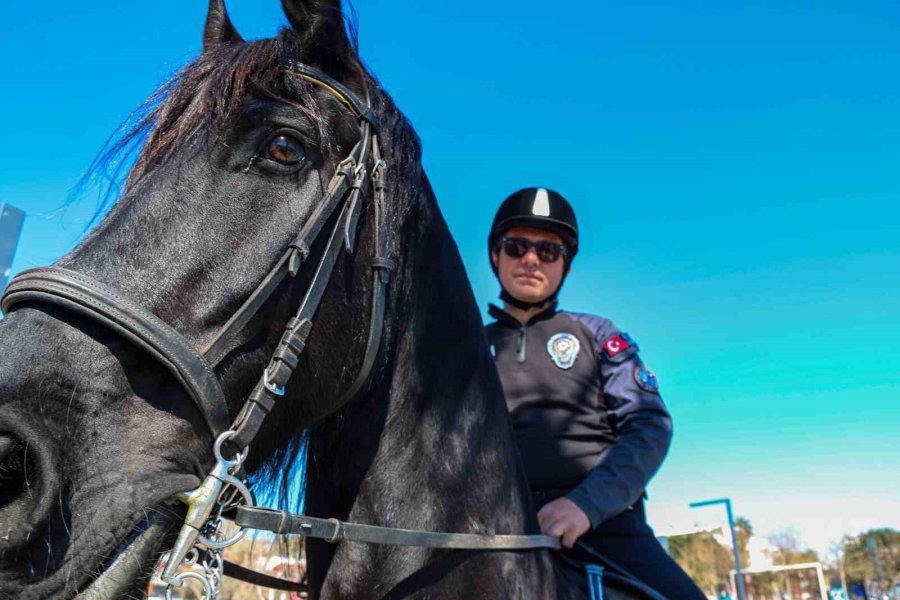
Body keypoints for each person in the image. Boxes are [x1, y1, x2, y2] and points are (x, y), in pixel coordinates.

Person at [484, 188, 705, 599]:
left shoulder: (597, 333)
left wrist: (584, 505)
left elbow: (648, 426)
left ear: (565, 267)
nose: (531, 260)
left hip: (602, 523)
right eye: (516, 247)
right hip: (492, 524)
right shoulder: (466, 349)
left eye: (548, 251)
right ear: (496, 256)